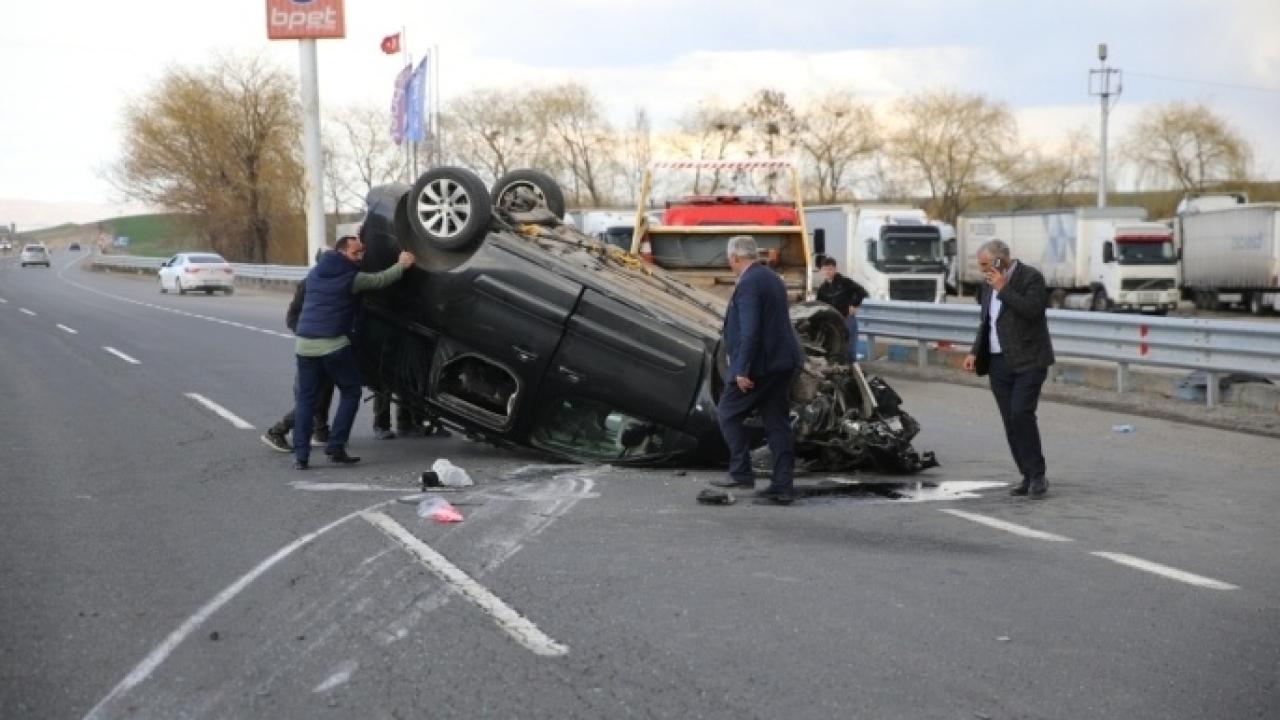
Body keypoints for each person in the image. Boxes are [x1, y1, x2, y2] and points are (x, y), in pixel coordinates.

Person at [291, 235, 416, 469]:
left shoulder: (316, 272)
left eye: (362, 253)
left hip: (304, 345)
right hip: (332, 346)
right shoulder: (351, 277)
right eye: (355, 253)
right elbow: (379, 280)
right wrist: (402, 265)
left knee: (306, 401)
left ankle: (301, 456)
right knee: (350, 392)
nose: (360, 257)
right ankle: (336, 447)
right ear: (341, 253)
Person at [709, 235, 804, 505]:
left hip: (761, 366)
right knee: (777, 424)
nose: (730, 265)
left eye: (730, 260)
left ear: (736, 258)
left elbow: (751, 331)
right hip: (782, 362)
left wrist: (741, 369)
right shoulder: (771, 278)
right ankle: (782, 486)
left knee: (727, 413)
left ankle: (741, 472)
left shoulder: (749, 283)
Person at [962, 239, 1056, 497]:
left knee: (1021, 414)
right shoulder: (987, 284)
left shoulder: (1030, 277)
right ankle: (1026, 474)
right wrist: (974, 351)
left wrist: (1003, 288)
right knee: (1010, 421)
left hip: (1029, 360)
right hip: (998, 362)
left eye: (985, 265)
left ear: (999, 260)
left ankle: (1038, 475)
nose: (983, 271)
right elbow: (987, 322)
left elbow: (1033, 311)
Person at [260, 276, 334, 452]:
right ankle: (277, 431)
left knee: (324, 389)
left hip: (323, 347)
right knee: (310, 397)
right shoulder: (311, 283)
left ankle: (320, 430)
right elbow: (292, 317)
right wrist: (308, 333)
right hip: (311, 349)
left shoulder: (330, 281)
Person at [815, 257, 869, 362]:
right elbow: (819, 305)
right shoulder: (822, 289)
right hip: (833, 323)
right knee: (836, 351)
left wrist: (854, 304)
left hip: (847, 318)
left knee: (849, 351)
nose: (827, 271)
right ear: (821, 270)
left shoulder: (845, 282)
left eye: (830, 269)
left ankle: (854, 373)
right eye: (825, 269)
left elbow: (862, 292)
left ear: (835, 269)